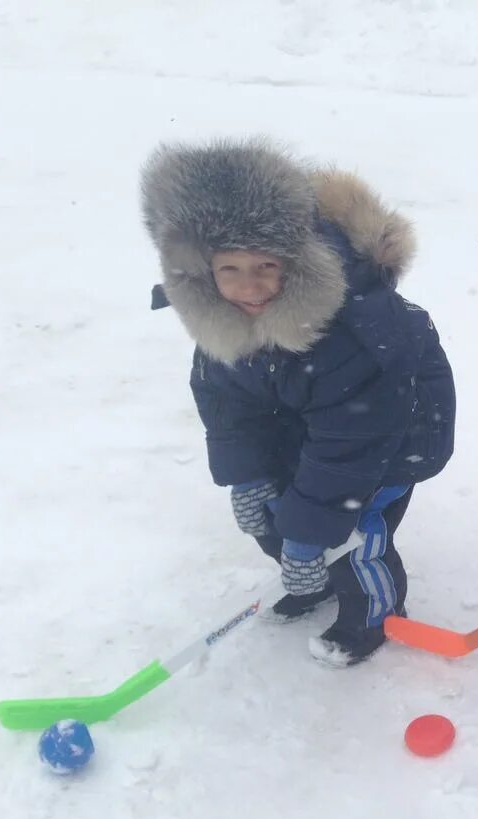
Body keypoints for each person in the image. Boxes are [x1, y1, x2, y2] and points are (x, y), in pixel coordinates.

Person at [141, 137, 455, 667]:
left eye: (266, 266)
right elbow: (224, 401)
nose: (250, 287)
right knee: (276, 512)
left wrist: (310, 537)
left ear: (296, 259)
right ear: (202, 272)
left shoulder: (350, 331)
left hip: (393, 436)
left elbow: (350, 451)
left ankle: (373, 612)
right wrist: (246, 476)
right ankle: (307, 577)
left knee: (353, 531)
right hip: (307, 422)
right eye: (230, 269)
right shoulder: (221, 317)